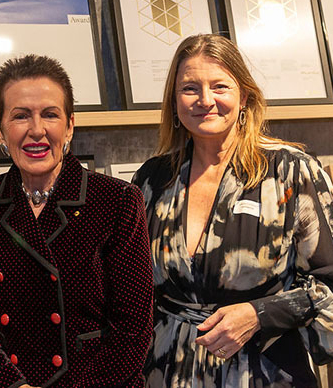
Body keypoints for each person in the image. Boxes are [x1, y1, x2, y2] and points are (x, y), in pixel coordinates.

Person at [133, 33, 333, 387]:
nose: (205, 100)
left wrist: (260, 314)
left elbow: (329, 283)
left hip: (266, 373)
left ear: (244, 96)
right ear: (174, 101)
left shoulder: (291, 172)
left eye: (219, 86)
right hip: (168, 373)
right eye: (190, 88)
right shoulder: (152, 179)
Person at [0, 54, 153, 387]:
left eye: (50, 114)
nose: (37, 130)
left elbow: (132, 330)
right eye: (20, 116)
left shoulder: (116, 200)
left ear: (70, 126)